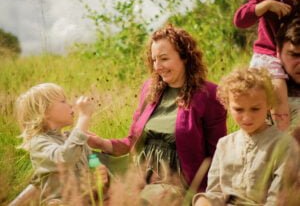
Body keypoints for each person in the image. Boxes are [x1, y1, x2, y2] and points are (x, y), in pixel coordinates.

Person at [87, 24, 227, 201]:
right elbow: (132, 140)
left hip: (175, 182)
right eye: (154, 60)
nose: (157, 66)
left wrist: (209, 196)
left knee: (143, 199)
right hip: (137, 173)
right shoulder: (150, 89)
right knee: (87, 165)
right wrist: (101, 143)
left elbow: (217, 154)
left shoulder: (209, 94)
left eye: (164, 59)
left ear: (185, 57)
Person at [193, 67, 290, 206]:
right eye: (238, 109)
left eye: (255, 109)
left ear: (269, 104)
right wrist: (205, 201)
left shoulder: (282, 145)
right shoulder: (224, 144)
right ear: (227, 105)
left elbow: (278, 199)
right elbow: (216, 192)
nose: (247, 117)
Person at [15, 83, 108, 205]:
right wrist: (84, 117)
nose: (70, 105)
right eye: (63, 101)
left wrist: (98, 167)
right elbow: (65, 158)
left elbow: (91, 158)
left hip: (86, 199)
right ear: (44, 111)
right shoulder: (39, 143)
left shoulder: (72, 138)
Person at [233, 0, 300, 131]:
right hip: (268, 54)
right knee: (279, 92)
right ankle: (278, 139)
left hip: (291, 55)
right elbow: (240, 20)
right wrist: (265, 5)